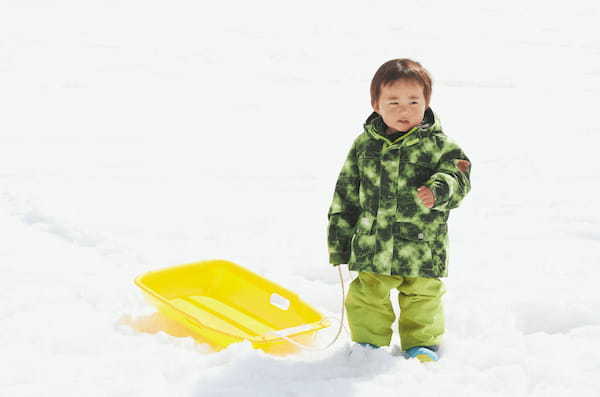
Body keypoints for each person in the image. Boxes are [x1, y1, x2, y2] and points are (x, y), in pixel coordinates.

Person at [327, 59, 471, 362]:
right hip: (373, 244)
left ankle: (421, 345)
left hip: (421, 245)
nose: (404, 110)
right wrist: (339, 241)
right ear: (376, 104)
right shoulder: (364, 146)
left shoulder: (438, 145)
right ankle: (369, 345)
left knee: (423, 298)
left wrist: (439, 189)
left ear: (426, 102)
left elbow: (459, 173)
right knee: (367, 297)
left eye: (413, 101)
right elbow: (346, 193)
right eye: (393, 102)